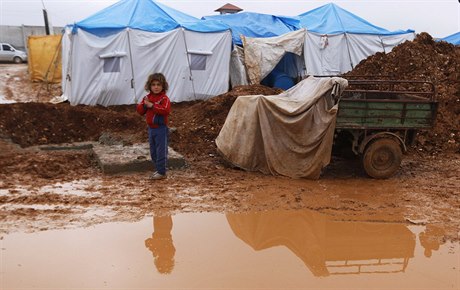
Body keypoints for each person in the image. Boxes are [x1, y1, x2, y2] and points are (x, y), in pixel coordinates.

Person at [136, 73, 171, 180]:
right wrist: (143, 105)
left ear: (163, 86)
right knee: (153, 151)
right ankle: (158, 169)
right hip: (151, 129)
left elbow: (165, 110)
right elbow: (140, 111)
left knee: (161, 151)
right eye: (153, 84)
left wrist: (153, 106)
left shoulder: (164, 98)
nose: (156, 87)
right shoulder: (147, 97)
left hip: (161, 129)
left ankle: (161, 172)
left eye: (159, 85)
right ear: (149, 86)